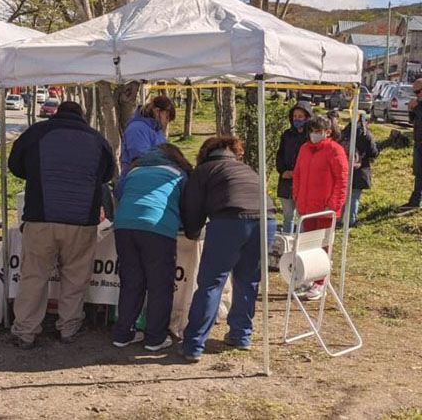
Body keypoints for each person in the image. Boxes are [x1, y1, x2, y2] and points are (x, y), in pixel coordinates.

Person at [8, 101, 114, 348]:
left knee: (33, 277)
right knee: (75, 278)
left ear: (57, 113)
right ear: (83, 115)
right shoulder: (97, 139)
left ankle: (25, 331)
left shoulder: (37, 132)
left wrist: (37, 174)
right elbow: (107, 176)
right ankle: (69, 327)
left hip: (41, 218)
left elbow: (15, 165)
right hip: (81, 221)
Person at [179, 136, 277, 362]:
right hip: (267, 220)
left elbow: (193, 208)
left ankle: (193, 344)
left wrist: (192, 232)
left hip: (230, 221)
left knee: (211, 283)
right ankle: (241, 335)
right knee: (248, 280)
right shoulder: (246, 170)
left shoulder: (204, 171)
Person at [111, 144, 192, 352]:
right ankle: (155, 338)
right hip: (158, 227)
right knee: (159, 284)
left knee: (131, 281)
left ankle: (122, 333)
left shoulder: (134, 170)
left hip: (124, 226)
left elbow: (119, 193)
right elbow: (187, 204)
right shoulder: (178, 173)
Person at [292, 115, 349, 301]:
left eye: (318, 131)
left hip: (324, 209)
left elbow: (341, 180)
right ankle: (309, 277)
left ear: (327, 132)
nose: (314, 135)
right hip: (306, 206)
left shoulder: (335, 150)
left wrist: (333, 205)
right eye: (312, 131)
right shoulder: (304, 149)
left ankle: (320, 282)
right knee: (308, 245)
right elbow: (298, 175)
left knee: (323, 246)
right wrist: (297, 197)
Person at [275, 101, 312, 233]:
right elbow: (280, 155)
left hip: (303, 181)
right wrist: (283, 171)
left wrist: (299, 173)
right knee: (288, 216)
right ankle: (287, 240)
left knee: (303, 216)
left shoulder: (310, 137)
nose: (297, 119)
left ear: (307, 117)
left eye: (300, 116)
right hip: (286, 181)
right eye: (295, 116)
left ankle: (300, 242)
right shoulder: (287, 135)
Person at [119, 95, 176, 180]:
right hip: (137, 181)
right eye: (166, 117)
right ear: (157, 111)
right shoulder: (137, 129)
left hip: (152, 178)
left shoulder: (156, 130)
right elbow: (141, 158)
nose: (167, 122)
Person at [339, 111, 379, 226]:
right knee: (354, 197)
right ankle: (350, 221)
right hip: (360, 170)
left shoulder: (345, 132)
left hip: (344, 169)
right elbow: (373, 153)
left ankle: (339, 219)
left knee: (343, 196)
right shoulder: (366, 134)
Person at [400, 78, 422, 211]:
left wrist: (417, 107)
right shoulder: (418, 104)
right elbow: (412, 121)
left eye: (418, 91)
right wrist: (411, 109)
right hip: (418, 142)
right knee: (418, 172)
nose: (417, 94)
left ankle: (415, 201)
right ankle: (415, 200)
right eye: (415, 92)